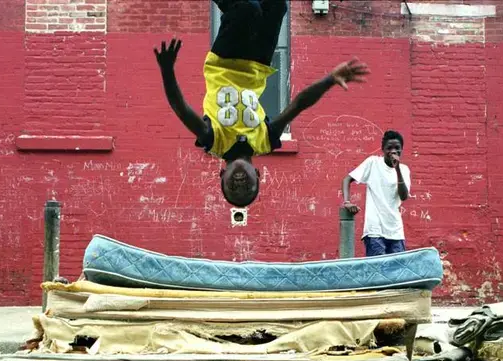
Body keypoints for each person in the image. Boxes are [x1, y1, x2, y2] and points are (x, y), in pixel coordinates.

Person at [154, 0, 370, 208]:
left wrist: (166, 71)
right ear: (257, 175)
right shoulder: (264, 140)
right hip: (258, 63)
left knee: (247, 9)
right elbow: (298, 105)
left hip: (225, 62)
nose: (240, 186)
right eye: (247, 189)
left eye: (232, 188)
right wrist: (329, 80)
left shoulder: (214, 140)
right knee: (277, 6)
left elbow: (180, 108)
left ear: (222, 175)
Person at [342, 130, 411, 256]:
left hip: (395, 230)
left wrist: (397, 169)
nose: (393, 151)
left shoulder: (404, 170)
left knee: (397, 271)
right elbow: (347, 179)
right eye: (389, 148)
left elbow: (404, 196)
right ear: (382, 149)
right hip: (374, 230)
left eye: (397, 148)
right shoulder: (373, 163)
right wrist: (347, 202)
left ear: (402, 149)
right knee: (377, 270)